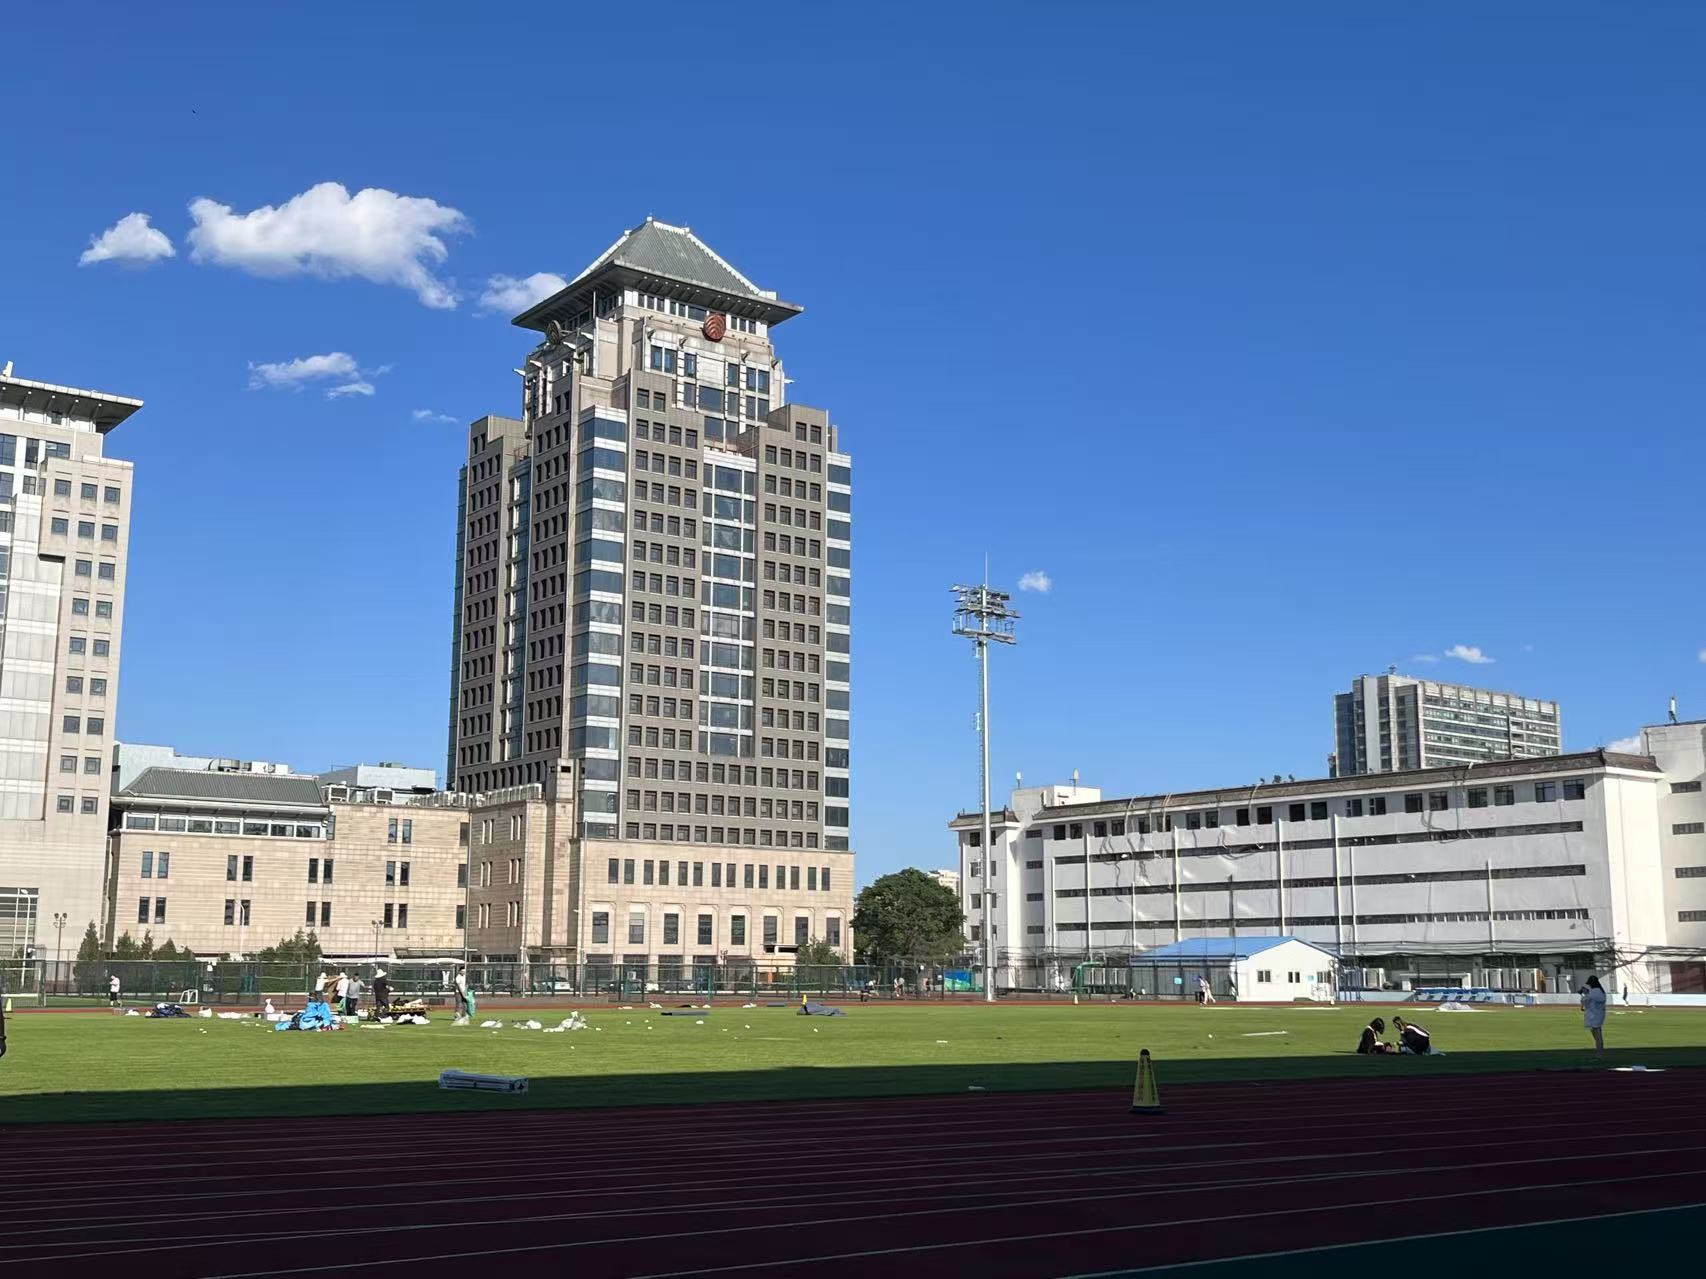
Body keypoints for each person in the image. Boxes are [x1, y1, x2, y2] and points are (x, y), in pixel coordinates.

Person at [1581, 975, 1608, 1055]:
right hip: (1598, 1014)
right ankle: (1599, 1053)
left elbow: (1585, 1001)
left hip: (1594, 1015)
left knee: (1597, 1036)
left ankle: (1599, 1054)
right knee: (1597, 1035)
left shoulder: (1594, 992)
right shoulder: (1600, 991)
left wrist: (1586, 994)